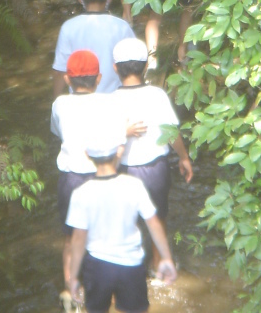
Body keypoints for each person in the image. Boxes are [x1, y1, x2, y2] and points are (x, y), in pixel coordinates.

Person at [67, 125, 177, 313]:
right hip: (131, 265)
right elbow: (153, 223)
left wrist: (73, 277)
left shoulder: (81, 193)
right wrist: (166, 257)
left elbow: (78, 239)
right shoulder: (134, 185)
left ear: (87, 155)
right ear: (119, 151)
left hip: (97, 267)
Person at [51, 50, 127, 307]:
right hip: (102, 176)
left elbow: (58, 132)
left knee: (71, 237)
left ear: (67, 80)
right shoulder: (110, 103)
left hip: (71, 178)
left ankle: (71, 289)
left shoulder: (60, 104)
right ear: (99, 78)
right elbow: (119, 144)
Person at [111, 38, 193, 272]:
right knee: (157, 219)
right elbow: (171, 132)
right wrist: (184, 157)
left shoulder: (111, 100)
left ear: (115, 68)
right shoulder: (157, 95)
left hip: (124, 171)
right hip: (156, 169)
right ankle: (159, 266)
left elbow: (105, 142)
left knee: (126, 223)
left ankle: (129, 271)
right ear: (146, 66)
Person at [52, 0, 135, 97]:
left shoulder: (68, 27)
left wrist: (56, 102)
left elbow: (60, 71)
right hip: (114, 102)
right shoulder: (121, 27)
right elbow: (133, 67)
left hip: (79, 103)